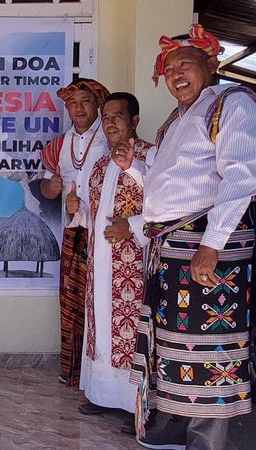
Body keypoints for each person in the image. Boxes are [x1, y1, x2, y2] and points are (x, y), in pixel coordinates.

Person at [129, 24, 256, 450]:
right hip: (175, 243)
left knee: (210, 347)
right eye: (169, 68)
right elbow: (172, 176)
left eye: (185, 63)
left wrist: (213, 245)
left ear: (214, 64)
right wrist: (135, 162)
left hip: (207, 242)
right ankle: (175, 425)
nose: (175, 74)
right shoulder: (182, 116)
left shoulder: (234, 103)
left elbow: (243, 175)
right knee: (172, 340)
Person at [67, 92, 155, 431]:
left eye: (118, 115)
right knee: (101, 326)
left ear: (134, 120)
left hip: (133, 262)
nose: (111, 122)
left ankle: (133, 404)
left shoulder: (149, 155)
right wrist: (77, 208)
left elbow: (165, 204)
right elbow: (92, 212)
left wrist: (131, 226)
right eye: (106, 117)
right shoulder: (100, 164)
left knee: (130, 330)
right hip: (100, 261)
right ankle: (102, 395)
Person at [40, 78, 110, 386]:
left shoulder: (112, 137)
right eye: (72, 103)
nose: (78, 108)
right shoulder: (57, 146)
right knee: (72, 304)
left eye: (84, 101)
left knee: (104, 303)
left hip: (106, 235)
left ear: (97, 105)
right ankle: (73, 373)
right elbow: (45, 187)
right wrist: (51, 188)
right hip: (73, 233)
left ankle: (103, 377)